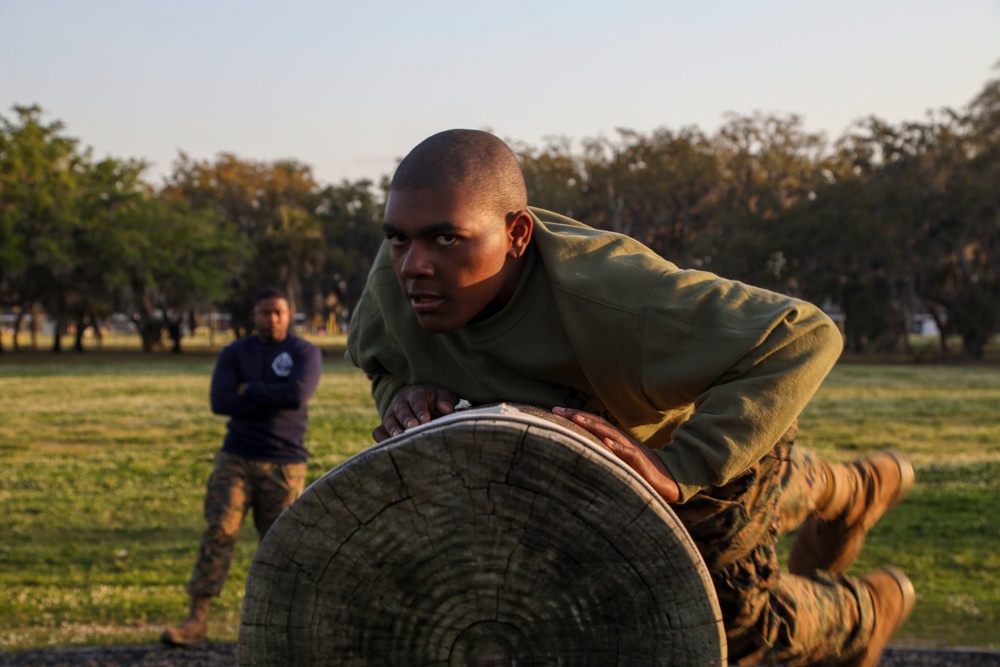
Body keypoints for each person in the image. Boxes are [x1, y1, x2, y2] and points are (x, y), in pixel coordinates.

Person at [346, 129, 916, 666]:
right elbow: (381, 361)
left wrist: (678, 468)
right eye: (398, 237)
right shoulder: (394, 280)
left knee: (722, 628)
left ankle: (868, 609)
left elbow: (803, 335)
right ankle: (850, 487)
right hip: (595, 464)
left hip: (684, 444)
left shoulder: (618, 297)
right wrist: (402, 393)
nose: (413, 264)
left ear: (517, 234)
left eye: (447, 238)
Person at [161, 287, 322, 647]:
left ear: (289, 314)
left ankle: (286, 627)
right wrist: (270, 394)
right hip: (235, 458)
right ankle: (196, 620)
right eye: (266, 312)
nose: (273, 319)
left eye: (279, 312)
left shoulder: (303, 352)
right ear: (254, 315)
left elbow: (296, 395)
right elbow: (220, 401)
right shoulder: (235, 352)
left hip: (285, 464)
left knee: (283, 547)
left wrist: (248, 390)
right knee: (219, 532)